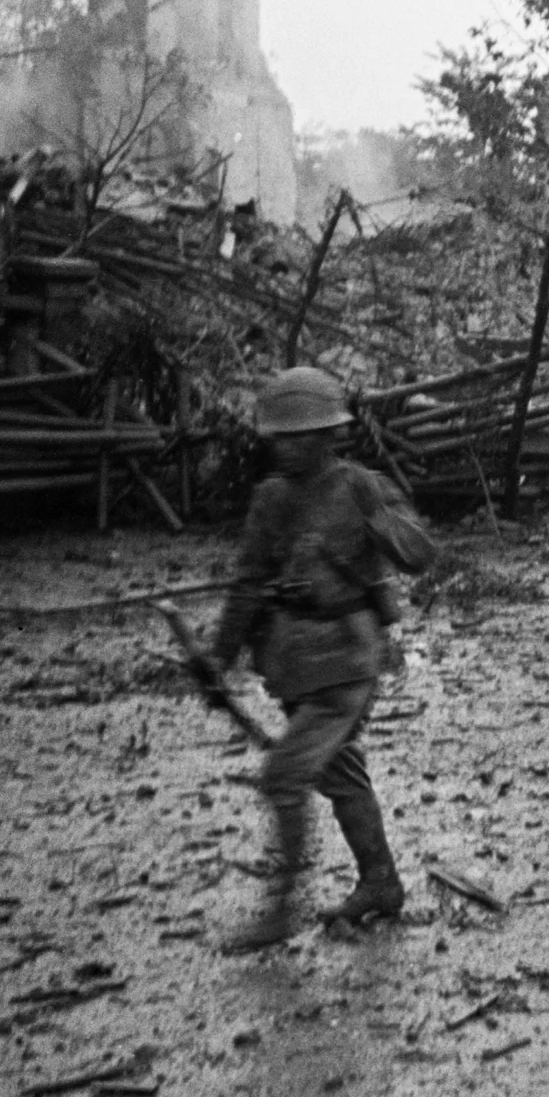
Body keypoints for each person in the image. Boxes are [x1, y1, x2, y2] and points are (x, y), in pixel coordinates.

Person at [205, 367, 437, 952]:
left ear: (329, 436)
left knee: (285, 775)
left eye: (299, 435)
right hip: (293, 663)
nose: (285, 446)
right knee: (340, 772)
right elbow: (249, 582)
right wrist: (219, 657)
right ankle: (381, 881)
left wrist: (384, 523)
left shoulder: (359, 486)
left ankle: (282, 911)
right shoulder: (270, 499)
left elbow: (420, 556)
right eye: (277, 436)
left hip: (348, 661)